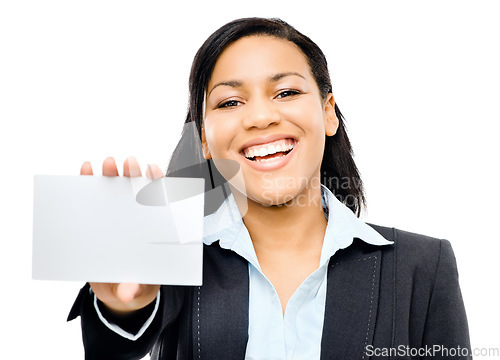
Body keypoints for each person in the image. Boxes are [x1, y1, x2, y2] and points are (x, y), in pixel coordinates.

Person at [68, 17, 472, 359]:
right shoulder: (174, 253)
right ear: (204, 141)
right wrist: (122, 306)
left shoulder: (423, 266)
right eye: (229, 102)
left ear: (328, 113)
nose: (260, 117)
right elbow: (116, 343)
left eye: (287, 92)